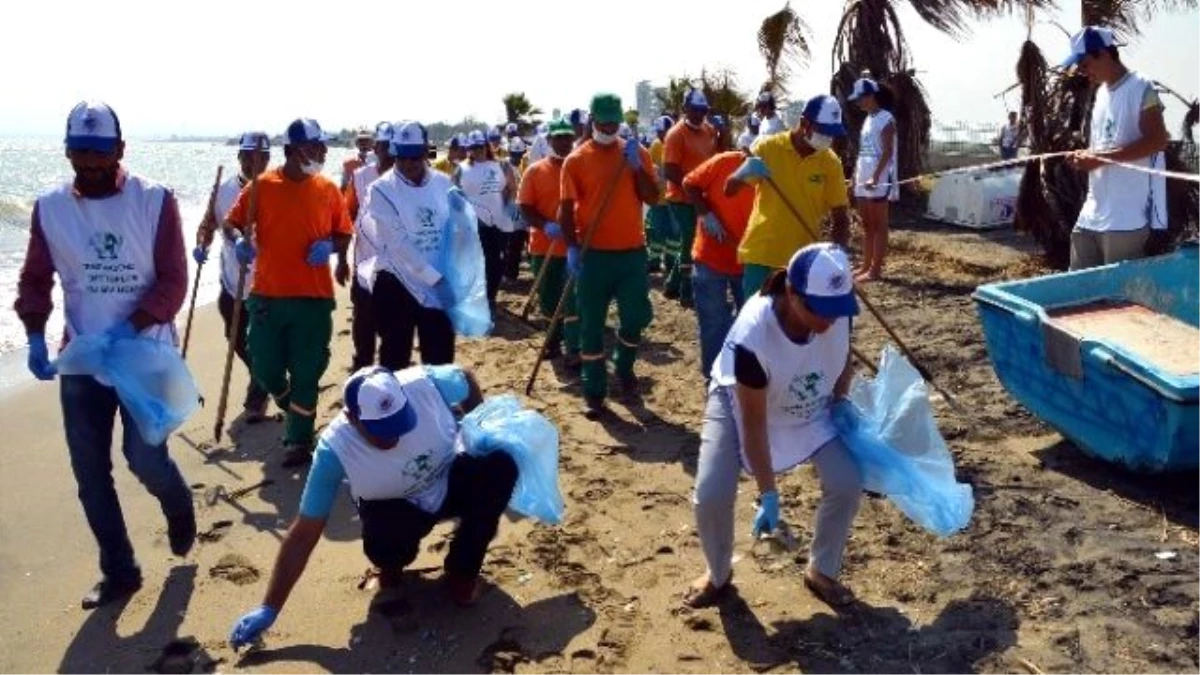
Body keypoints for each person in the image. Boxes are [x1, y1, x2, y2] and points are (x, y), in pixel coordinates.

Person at [15, 101, 196, 609]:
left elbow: (173, 280)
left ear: (120, 149)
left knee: (145, 459)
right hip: (84, 359)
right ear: (68, 152)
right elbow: (34, 278)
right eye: (80, 153)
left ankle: (178, 504)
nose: (90, 163)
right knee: (90, 473)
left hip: (146, 355)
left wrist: (129, 329)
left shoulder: (154, 201)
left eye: (100, 153)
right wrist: (33, 331)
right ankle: (119, 570)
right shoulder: (50, 207)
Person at [228, 364, 518, 649]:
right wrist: (269, 608)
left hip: (451, 480)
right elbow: (305, 531)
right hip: (397, 510)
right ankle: (390, 570)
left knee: (501, 466)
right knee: (384, 541)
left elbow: (466, 377)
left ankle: (462, 571)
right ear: (353, 419)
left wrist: (479, 425)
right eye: (382, 431)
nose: (393, 437)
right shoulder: (334, 450)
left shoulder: (425, 383)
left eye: (400, 423)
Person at [685, 243, 863, 610]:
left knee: (846, 481)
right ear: (793, 294)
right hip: (742, 401)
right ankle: (717, 574)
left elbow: (843, 354)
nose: (829, 320)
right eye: (821, 312)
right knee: (712, 494)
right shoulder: (754, 337)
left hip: (806, 403)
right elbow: (753, 426)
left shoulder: (837, 308)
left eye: (837, 310)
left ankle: (822, 570)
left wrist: (841, 399)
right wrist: (769, 493)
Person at [225, 118, 354, 467]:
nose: (322, 152)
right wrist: (240, 241)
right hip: (267, 295)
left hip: (313, 298)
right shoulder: (261, 187)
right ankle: (290, 404)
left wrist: (330, 246)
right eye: (314, 147)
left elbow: (345, 232)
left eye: (323, 146)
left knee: (307, 371)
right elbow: (231, 222)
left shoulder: (327, 189)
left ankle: (298, 440)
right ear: (290, 151)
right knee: (263, 364)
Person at [560, 93, 659, 413]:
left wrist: (637, 168)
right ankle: (594, 390)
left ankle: (625, 365)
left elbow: (653, 198)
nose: (608, 127)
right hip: (594, 255)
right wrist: (572, 248)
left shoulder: (636, 153)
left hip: (632, 253)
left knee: (635, 316)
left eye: (613, 122)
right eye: (602, 122)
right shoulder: (577, 159)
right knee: (591, 325)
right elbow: (565, 209)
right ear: (592, 120)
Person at [1061, 26, 1171, 270]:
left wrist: (1099, 159)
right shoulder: (1100, 93)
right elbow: (1104, 145)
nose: (1081, 70)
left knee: (1118, 301)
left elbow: (1158, 140)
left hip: (1125, 220)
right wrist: (1086, 155)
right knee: (1079, 292)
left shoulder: (1141, 87)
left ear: (1104, 53)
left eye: (1084, 63)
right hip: (1091, 215)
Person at [726, 95, 852, 299]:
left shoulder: (830, 163)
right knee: (756, 324)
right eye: (823, 132)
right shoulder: (768, 148)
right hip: (762, 256)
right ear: (804, 124)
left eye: (831, 134)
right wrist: (742, 172)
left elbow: (840, 216)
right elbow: (728, 190)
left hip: (801, 261)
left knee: (794, 327)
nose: (827, 139)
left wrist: (840, 257)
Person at [361, 121, 461, 369]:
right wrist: (435, 278)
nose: (408, 164)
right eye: (401, 157)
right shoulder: (380, 190)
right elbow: (398, 245)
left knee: (440, 357)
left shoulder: (444, 184)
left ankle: (439, 403)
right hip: (397, 280)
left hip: (438, 279)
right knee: (395, 357)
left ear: (426, 153)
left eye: (414, 157)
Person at [194, 131, 272, 420]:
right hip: (232, 278)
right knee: (234, 335)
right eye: (248, 156)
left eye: (261, 157)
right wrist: (202, 244)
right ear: (239, 157)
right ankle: (262, 376)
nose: (255, 162)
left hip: (268, 283)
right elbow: (208, 224)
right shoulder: (224, 189)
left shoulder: (277, 187)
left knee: (261, 341)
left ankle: (258, 393)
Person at [683, 140, 755, 378]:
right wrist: (705, 214)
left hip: (749, 259)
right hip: (711, 256)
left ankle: (744, 376)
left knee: (751, 321)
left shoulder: (773, 177)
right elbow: (689, 184)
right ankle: (714, 375)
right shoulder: (723, 162)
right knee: (714, 321)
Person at [518, 118, 579, 365]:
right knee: (549, 299)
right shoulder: (535, 171)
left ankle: (575, 347)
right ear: (550, 140)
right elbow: (524, 207)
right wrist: (546, 225)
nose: (564, 142)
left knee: (575, 301)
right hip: (545, 247)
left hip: (575, 247)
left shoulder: (578, 169)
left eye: (567, 136)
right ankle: (553, 343)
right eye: (559, 137)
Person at [344, 122, 395, 370]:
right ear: (377, 147)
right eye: (385, 147)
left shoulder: (412, 176)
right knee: (363, 325)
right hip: (365, 264)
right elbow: (347, 216)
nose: (390, 153)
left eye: (395, 148)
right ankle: (361, 367)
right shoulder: (361, 176)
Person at [662, 89, 718, 306]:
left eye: (702, 111)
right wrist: (692, 187)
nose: (698, 115)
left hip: (701, 195)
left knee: (693, 240)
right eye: (694, 110)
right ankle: (687, 292)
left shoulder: (708, 130)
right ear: (685, 109)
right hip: (681, 198)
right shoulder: (676, 135)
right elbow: (670, 170)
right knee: (690, 241)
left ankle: (672, 285)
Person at [454, 130, 517, 308]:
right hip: (474, 224)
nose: (477, 150)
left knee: (497, 261)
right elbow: (453, 194)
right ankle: (480, 296)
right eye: (472, 147)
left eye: (480, 146)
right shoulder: (462, 169)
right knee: (479, 260)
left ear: (486, 146)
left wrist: (510, 205)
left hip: (499, 222)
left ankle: (491, 296)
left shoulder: (502, 166)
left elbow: (512, 187)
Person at [848, 76, 898, 283]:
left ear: (871, 96)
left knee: (879, 224)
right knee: (866, 224)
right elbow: (863, 151)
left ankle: (875, 269)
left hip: (878, 178)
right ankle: (866, 264)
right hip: (863, 176)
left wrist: (876, 176)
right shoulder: (868, 120)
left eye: (860, 98)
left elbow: (887, 151)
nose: (858, 103)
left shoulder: (886, 118)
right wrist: (854, 177)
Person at [645, 115, 674, 273]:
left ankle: (670, 262)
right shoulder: (656, 146)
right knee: (657, 232)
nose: (663, 134)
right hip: (659, 198)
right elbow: (650, 168)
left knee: (674, 234)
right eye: (661, 131)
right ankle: (654, 261)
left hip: (673, 198)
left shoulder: (675, 145)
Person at [505, 137, 529, 281]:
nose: (517, 157)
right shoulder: (505, 168)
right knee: (511, 246)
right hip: (509, 213)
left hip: (519, 213)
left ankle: (512, 274)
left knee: (517, 245)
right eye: (515, 154)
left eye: (519, 155)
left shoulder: (520, 167)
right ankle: (509, 275)